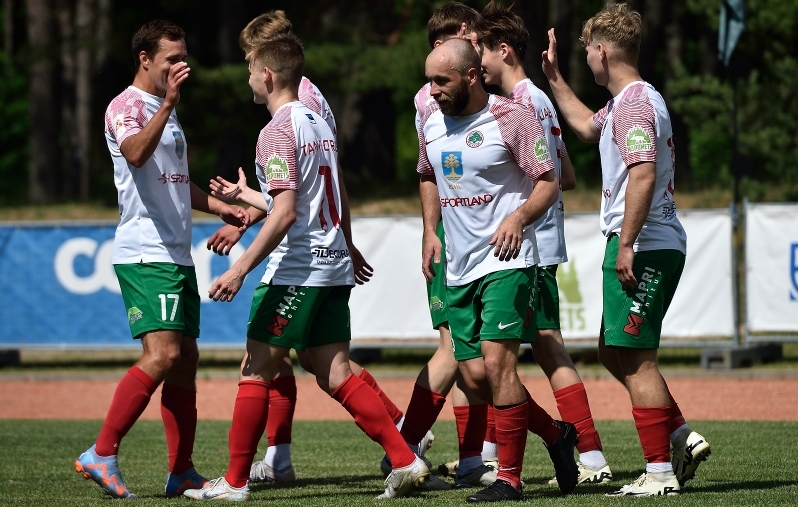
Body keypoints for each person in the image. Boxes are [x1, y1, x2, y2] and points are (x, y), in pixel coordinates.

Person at [183, 32, 430, 501]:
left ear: (268, 75)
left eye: (251, 70)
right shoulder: (319, 121)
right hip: (333, 264)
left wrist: (240, 269)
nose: (249, 79)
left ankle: (234, 482)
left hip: (298, 268)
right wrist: (345, 244)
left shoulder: (276, 129)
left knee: (255, 370)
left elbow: (286, 213)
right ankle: (404, 458)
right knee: (335, 372)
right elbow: (318, 197)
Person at [74, 20, 251, 500]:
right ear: (144, 59)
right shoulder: (126, 106)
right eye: (171, 58)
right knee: (164, 354)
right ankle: (101, 451)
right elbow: (134, 153)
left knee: (185, 360)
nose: (181, 65)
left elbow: (175, 180)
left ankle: (182, 472)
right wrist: (169, 103)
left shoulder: (165, 110)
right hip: (144, 251)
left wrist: (220, 207)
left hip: (176, 253)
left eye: (183, 55)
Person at [540, 2, 710, 496]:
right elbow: (589, 128)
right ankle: (678, 434)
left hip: (647, 241)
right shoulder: (625, 102)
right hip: (650, 238)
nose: (587, 60)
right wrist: (554, 79)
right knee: (611, 349)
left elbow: (643, 173)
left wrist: (628, 242)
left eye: (588, 52)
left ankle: (659, 472)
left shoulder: (635, 103)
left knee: (636, 360)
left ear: (602, 50)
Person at [419, 37, 579, 502]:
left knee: (497, 362)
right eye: (430, 80)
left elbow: (551, 181)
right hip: (458, 263)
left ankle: (509, 477)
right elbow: (426, 173)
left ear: (471, 76)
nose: (432, 90)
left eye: (441, 80)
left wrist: (518, 217)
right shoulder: (431, 122)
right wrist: (431, 230)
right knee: (473, 376)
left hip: (507, 259)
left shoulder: (511, 116)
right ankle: (555, 434)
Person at [479, 1, 612, 486]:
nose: (478, 63)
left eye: (482, 51)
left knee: (534, 348)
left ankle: (590, 454)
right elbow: (569, 173)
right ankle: (503, 451)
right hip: (534, 242)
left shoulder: (522, 104)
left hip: (528, 247)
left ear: (505, 50)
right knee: (518, 348)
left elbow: (553, 177)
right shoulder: (536, 100)